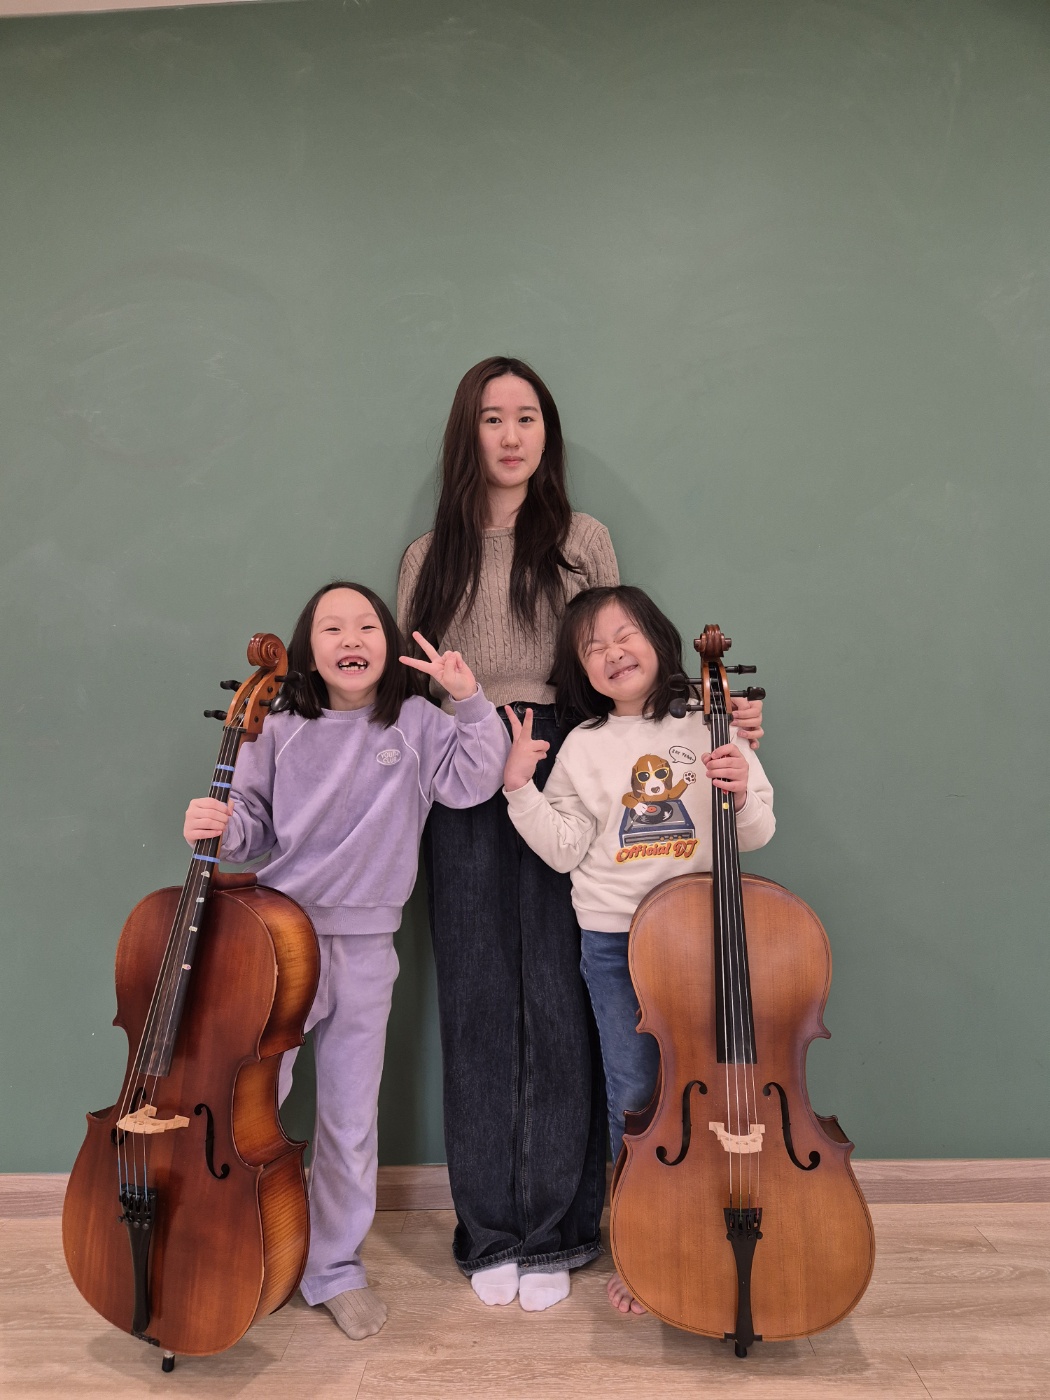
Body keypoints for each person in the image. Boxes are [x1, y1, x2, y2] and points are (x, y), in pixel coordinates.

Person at [398, 358, 764, 1313]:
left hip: (575, 756)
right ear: (468, 433)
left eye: (527, 417)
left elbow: (620, 658)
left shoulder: (583, 539)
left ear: (546, 434)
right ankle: (491, 1231)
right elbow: (410, 690)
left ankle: (563, 1230)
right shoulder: (428, 555)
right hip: (465, 759)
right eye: (492, 418)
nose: (511, 435)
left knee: (569, 995)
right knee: (478, 997)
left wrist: (720, 717)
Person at [182, 581, 508, 1340]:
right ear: (308, 648)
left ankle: (332, 1267)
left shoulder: (418, 722)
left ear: (388, 645)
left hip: (367, 951)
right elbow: (249, 830)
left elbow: (476, 780)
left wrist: (468, 698)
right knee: (248, 1106)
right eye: (331, 627)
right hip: (276, 945)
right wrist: (215, 823)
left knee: (351, 1120)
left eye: (366, 625)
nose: (350, 637)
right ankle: (229, 1241)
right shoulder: (275, 727)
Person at [501, 584, 775, 1315]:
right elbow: (564, 849)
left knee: (726, 1089)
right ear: (580, 670)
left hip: (709, 936)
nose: (612, 652)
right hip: (616, 944)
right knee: (635, 1096)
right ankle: (643, 1243)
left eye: (624, 635)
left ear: (658, 638)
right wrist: (520, 789)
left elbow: (756, 833)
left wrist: (740, 790)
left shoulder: (711, 722)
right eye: (592, 647)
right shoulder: (583, 746)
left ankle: (730, 1220)